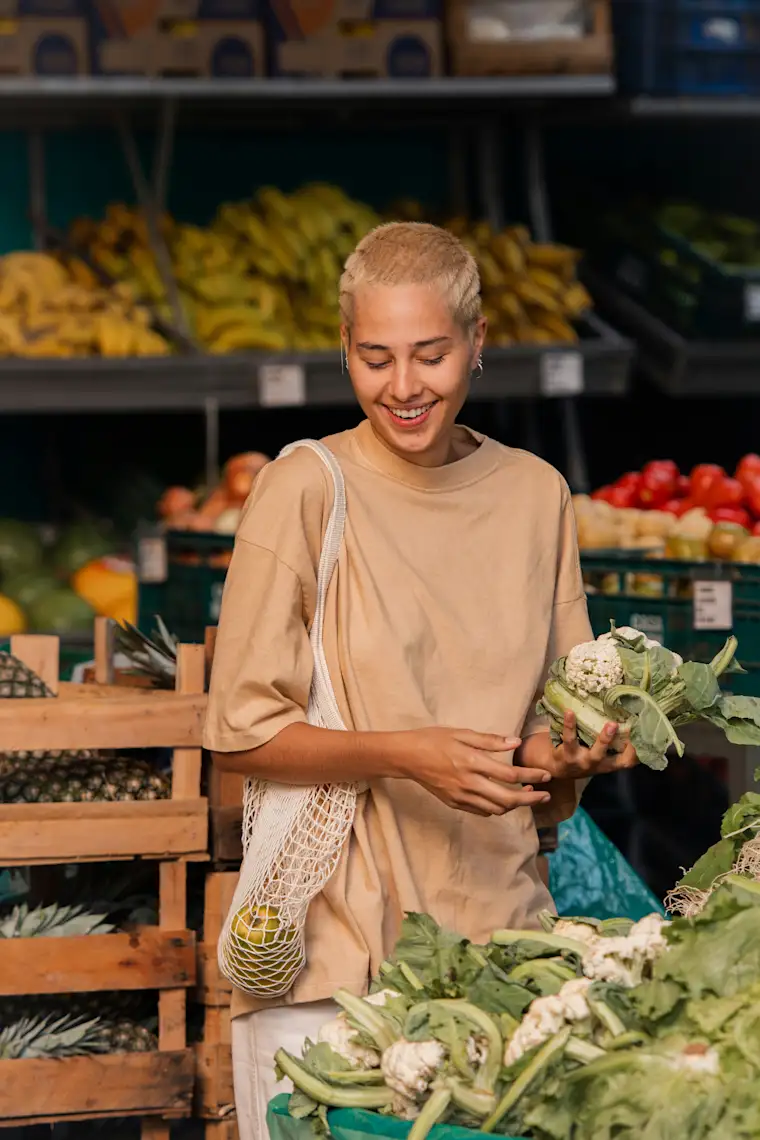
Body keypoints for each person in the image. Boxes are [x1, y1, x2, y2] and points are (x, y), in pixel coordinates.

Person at [203, 221, 637, 1140]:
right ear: (346, 350)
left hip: (506, 952)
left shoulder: (536, 494)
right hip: (336, 961)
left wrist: (572, 755)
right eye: (376, 358)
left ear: (478, 343)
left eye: (430, 355)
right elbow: (241, 732)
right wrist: (407, 755)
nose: (403, 386)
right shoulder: (305, 488)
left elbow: (540, 734)